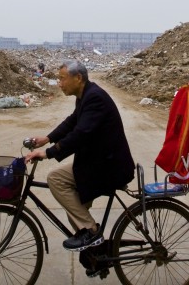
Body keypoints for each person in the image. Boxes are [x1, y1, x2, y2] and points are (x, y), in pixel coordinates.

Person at [24, 59, 134, 251]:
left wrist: (48, 153)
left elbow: (81, 134)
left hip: (109, 166)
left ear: (78, 78)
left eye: (62, 78)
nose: (59, 83)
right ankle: (95, 255)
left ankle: (91, 232)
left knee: (56, 179)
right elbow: (72, 121)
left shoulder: (95, 98)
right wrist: (47, 138)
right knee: (74, 207)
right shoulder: (85, 95)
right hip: (97, 163)